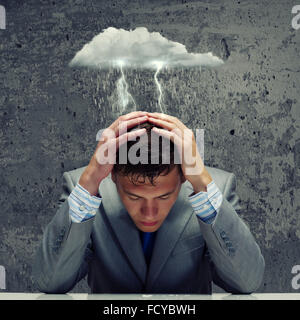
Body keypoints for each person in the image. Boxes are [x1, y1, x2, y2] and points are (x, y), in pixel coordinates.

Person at [33, 111, 265, 294]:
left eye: (164, 196)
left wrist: (203, 185)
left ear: (183, 177)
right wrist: (90, 181)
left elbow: (246, 282)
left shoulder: (216, 188)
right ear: (113, 176)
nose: (149, 213)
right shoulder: (84, 189)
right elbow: (50, 282)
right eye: (134, 196)